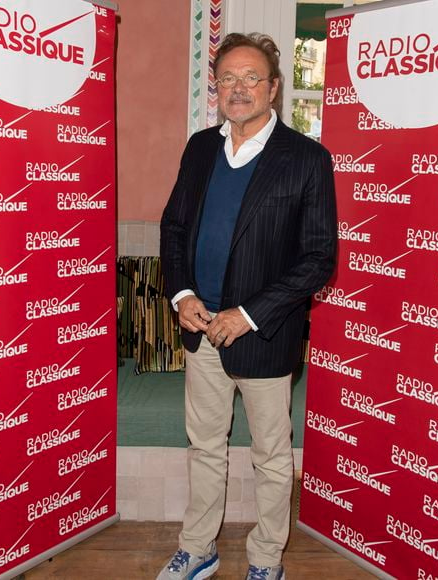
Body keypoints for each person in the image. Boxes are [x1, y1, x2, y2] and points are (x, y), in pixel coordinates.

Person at [158, 32, 337, 580]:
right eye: (228, 79)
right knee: (205, 448)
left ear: (275, 88)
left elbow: (317, 258)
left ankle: (265, 560)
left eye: (251, 78)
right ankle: (199, 547)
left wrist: (250, 313)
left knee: (272, 457)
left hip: (262, 335)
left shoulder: (307, 159)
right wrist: (181, 293)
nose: (238, 89)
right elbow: (174, 227)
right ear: (216, 88)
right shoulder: (200, 147)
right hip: (201, 327)